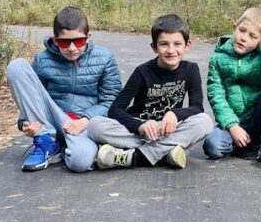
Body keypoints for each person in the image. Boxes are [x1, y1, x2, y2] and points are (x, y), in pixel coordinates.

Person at [88, 14, 214, 169]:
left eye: (177, 44)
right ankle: (165, 153)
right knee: (95, 125)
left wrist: (175, 114)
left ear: (187, 45)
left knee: (205, 121)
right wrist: (139, 127)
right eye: (164, 44)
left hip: (169, 128)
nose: (171, 50)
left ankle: (134, 157)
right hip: (141, 129)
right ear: (154, 47)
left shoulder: (191, 70)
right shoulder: (142, 72)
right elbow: (115, 110)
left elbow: (197, 107)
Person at [6, 6, 121, 172]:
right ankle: (46, 141)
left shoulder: (105, 58)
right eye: (65, 42)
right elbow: (30, 96)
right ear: (55, 40)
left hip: (81, 125)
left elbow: (113, 100)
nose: (72, 48)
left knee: (80, 162)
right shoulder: (42, 60)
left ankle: (61, 147)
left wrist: (86, 120)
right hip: (51, 118)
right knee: (17, 66)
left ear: (88, 37)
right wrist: (24, 122)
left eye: (78, 41)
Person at [202, 7, 261, 160]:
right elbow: (216, 96)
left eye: (252, 36)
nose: (244, 38)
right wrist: (232, 126)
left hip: (260, 117)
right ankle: (245, 142)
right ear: (234, 28)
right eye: (241, 31)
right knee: (212, 146)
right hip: (235, 120)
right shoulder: (217, 59)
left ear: (260, 41)